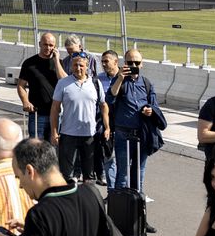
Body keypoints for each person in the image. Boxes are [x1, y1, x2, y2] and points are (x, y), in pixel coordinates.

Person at [105, 49, 163, 204]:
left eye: (137, 63)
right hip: (123, 134)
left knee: (139, 173)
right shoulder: (119, 80)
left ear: (142, 64)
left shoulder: (146, 83)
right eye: (130, 62)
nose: (133, 65)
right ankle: (118, 211)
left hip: (141, 134)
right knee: (122, 173)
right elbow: (110, 98)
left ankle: (137, 213)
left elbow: (154, 105)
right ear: (125, 63)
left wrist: (150, 111)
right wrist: (120, 78)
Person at [50, 53, 108, 182]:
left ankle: (88, 199)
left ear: (87, 66)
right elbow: (55, 109)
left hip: (89, 135)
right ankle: (67, 199)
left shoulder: (95, 83)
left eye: (81, 65)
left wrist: (107, 127)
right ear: (71, 66)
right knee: (66, 173)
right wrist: (54, 131)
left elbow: (104, 106)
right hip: (68, 134)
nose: (78, 68)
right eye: (75, 65)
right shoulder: (63, 83)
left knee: (89, 174)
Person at [16, 33, 61, 144]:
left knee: (53, 148)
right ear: (40, 44)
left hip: (56, 115)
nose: (48, 48)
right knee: (36, 147)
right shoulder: (29, 63)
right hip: (37, 114)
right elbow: (21, 85)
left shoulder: (59, 63)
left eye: (51, 45)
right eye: (45, 44)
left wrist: (56, 61)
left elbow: (65, 81)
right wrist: (25, 102)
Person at [94, 50, 120, 187]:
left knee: (122, 161)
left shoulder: (124, 78)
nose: (103, 64)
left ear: (116, 62)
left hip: (121, 124)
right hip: (105, 125)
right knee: (109, 159)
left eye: (106, 61)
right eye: (102, 61)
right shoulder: (98, 79)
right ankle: (112, 193)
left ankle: (123, 191)